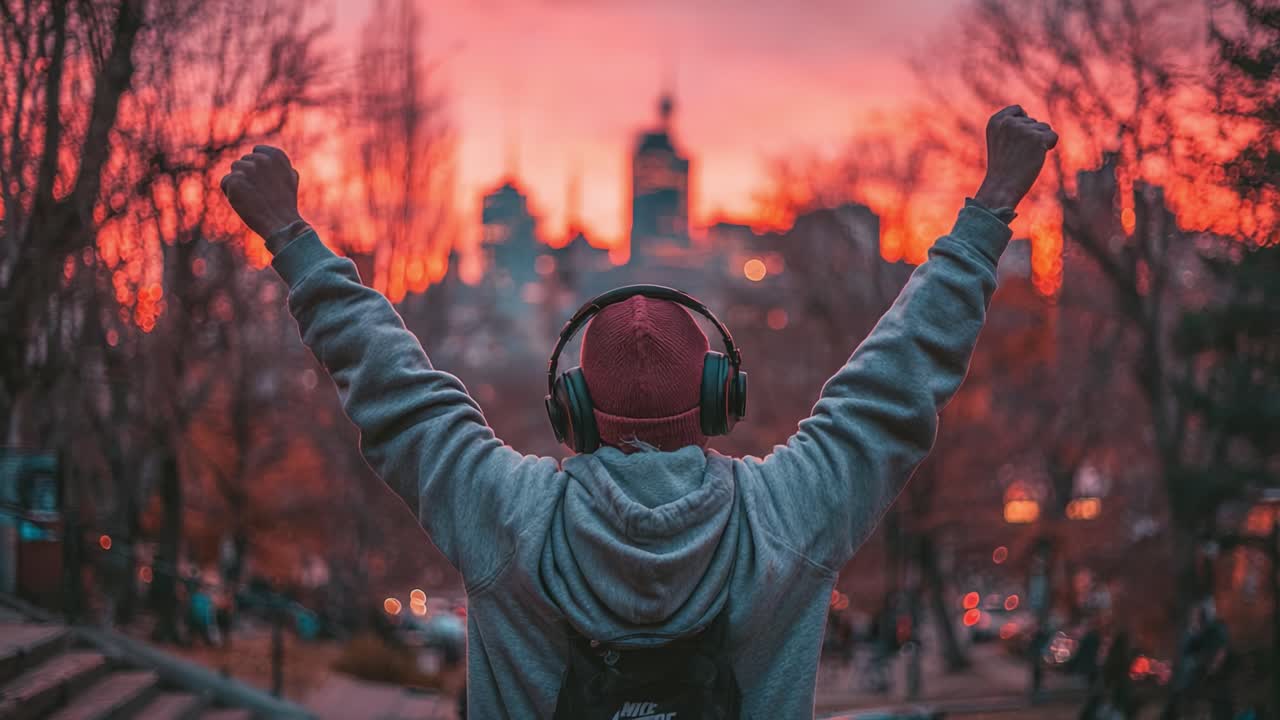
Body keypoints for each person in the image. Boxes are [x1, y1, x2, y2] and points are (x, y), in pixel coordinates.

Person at [220, 104, 1057, 716]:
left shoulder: (506, 516)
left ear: (573, 409)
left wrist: (292, 236)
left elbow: (394, 385)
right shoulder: (789, 516)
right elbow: (894, 382)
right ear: (717, 398)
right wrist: (987, 213)